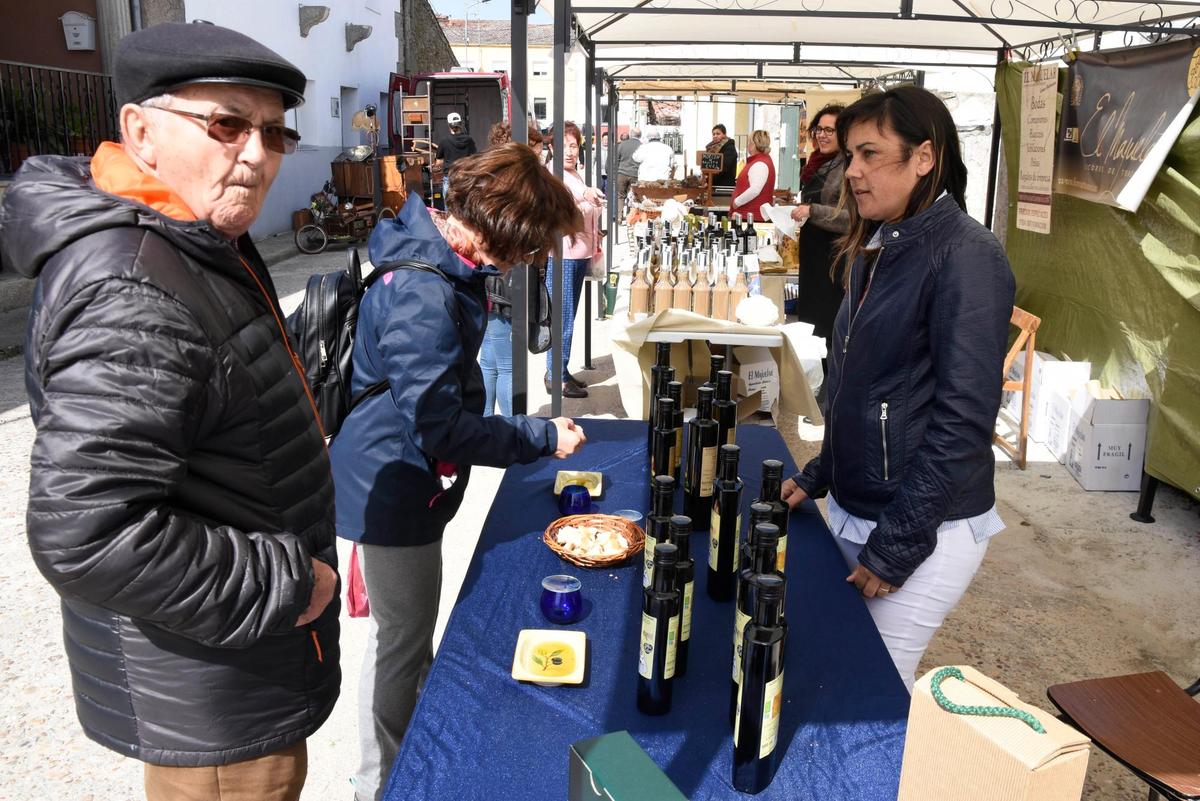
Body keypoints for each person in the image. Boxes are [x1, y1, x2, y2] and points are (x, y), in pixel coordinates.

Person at [0, 22, 338, 800]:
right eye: (226, 124)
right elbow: (86, 531)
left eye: (275, 131)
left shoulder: (190, 237)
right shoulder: (135, 287)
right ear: (140, 132)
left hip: (231, 669)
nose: (256, 154)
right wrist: (292, 584)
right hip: (216, 690)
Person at [331, 143, 588, 801]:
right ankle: (387, 780)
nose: (529, 261)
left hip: (398, 470)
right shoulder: (423, 290)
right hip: (390, 482)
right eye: (529, 246)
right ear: (501, 226)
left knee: (400, 634)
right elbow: (438, 425)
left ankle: (383, 764)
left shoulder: (438, 262)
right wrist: (536, 435)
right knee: (405, 643)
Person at [780, 86, 1015, 692]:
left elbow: (964, 421)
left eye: (869, 154)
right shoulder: (876, 245)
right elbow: (859, 387)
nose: (851, 171)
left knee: (867, 690)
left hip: (926, 529)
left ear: (924, 157)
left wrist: (899, 546)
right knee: (829, 667)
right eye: (849, 155)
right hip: (860, 507)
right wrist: (820, 472)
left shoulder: (967, 256)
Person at [544, 121, 605, 399]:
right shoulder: (553, 174)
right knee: (563, 318)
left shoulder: (574, 173)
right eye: (563, 145)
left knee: (568, 316)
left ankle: (562, 369)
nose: (569, 152)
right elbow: (569, 201)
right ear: (551, 147)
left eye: (573, 146)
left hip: (578, 253)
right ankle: (555, 375)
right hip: (563, 256)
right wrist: (588, 196)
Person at [791, 104, 850, 392]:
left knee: (828, 323)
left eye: (830, 130)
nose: (823, 135)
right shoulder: (816, 162)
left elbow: (853, 218)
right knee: (810, 321)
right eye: (819, 129)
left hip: (834, 257)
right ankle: (811, 382)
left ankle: (828, 388)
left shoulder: (848, 167)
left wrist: (812, 211)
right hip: (812, 255)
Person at [730, 129, 776, 221]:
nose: (748, 145)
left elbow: (755, 190)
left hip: (752, 217)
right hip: (749, 216)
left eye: (749, 142)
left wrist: (736, 202)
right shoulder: (760, 161)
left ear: (754, 144)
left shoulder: (760, 164)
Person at [435, 111, 477, 201]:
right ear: (460, 124)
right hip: (465, 176)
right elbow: (474, 158)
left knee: (449, 205)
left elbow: (438, 162)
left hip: (450, 176)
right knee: (464, 204)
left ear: (449, 125)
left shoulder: (444, 141)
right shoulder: (469, 140)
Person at [615, 127, 642, 216]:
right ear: (640, 135)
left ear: (631, 134)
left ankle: (619, 216)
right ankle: (630, 216)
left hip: (622, 173)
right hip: (635, 174)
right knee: (633, 196)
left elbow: (617, 159)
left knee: (620, 195)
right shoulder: (642, 145)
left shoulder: (622, 144)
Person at [707, 123, 739, 188]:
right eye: (713, 134)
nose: (715, 136)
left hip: (724, 186)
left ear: (724, 134)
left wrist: (709, 178)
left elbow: (724, 167)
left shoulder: (729, 147)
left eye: (718, 134)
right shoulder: (711, 148)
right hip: (714, 184)